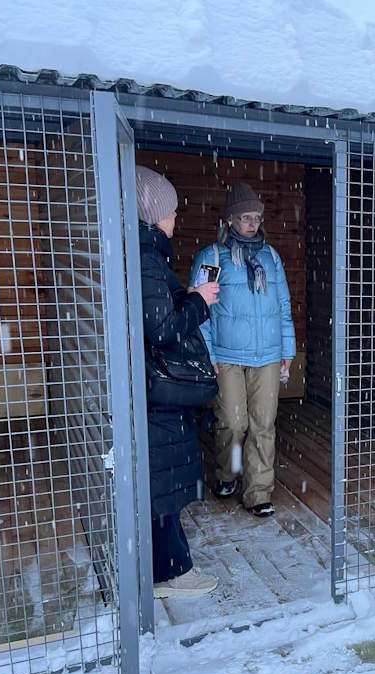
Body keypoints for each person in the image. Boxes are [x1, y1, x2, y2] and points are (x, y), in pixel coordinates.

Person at [136, 165, 220, 598]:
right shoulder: (148, 258)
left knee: (161, 480)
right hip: (158, 390)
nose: (175, 219)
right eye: (170, 211)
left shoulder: (144, 253)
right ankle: (171, 575)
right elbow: (162, 328)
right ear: (153, 214)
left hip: (153, 388)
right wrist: (198, 302)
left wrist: (188, 298)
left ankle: (166, 569)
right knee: (162, 483)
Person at [190, 183, 296, 517]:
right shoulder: (213, 256)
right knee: (234, 423)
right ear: (230, 219)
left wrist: (287, 349)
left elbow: (283, 306)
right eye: (245, 217)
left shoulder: (271, 257)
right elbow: (199, 308)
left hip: (266, 354)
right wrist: (208, 352)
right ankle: (229, 472)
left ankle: (258, 492)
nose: (252, 223)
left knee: (263, 424)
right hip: (227, 356)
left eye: (256, 217)